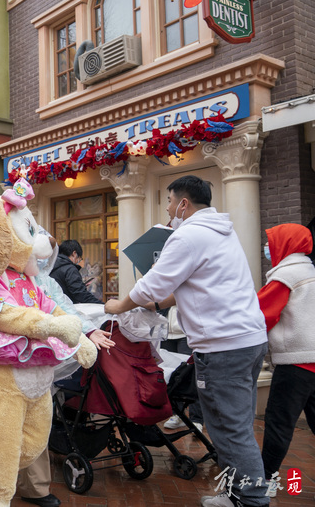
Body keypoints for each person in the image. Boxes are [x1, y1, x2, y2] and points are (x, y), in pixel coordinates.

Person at [105, 175, 268, 507]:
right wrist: (157, 304)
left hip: (222, 345)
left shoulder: (188, 235)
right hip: (248, 341)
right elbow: (191, 288)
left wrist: (118, 305)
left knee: (228, 427)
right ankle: (237, 490)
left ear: (183, 203)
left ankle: (250, 499)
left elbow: (151, 285)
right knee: (235, 424)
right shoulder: (222, 232)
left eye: (168, 201)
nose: (166, 208)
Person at [16, 229, 114, 507]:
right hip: (6, 360)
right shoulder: (1, 278)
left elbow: (64, 309)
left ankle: (34, 487)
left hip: (39, 361)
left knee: (36, 420)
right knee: (3, 423)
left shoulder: (45, 283)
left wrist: (89, 330)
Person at [258, 223, 315, 495]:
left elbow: (261, 314)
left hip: (296, 362)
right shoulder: (310, 270)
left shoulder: (286, 276)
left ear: (285, 243)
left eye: (270, 242)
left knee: (279, 422)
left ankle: (264, 480)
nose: (267, 248)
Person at [160, 305, 204, 432]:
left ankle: (196, 419)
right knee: (172, 376)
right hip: (165, 332)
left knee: (191, 374)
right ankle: (176, 415)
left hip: (186, 332)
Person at [50, 240, 104, 304]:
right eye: (80, 259)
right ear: (74, 254)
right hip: (66, 308)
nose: (79, 262)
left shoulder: (50, 266)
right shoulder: (70, 269)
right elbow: (80, 294)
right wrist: (101, 305)